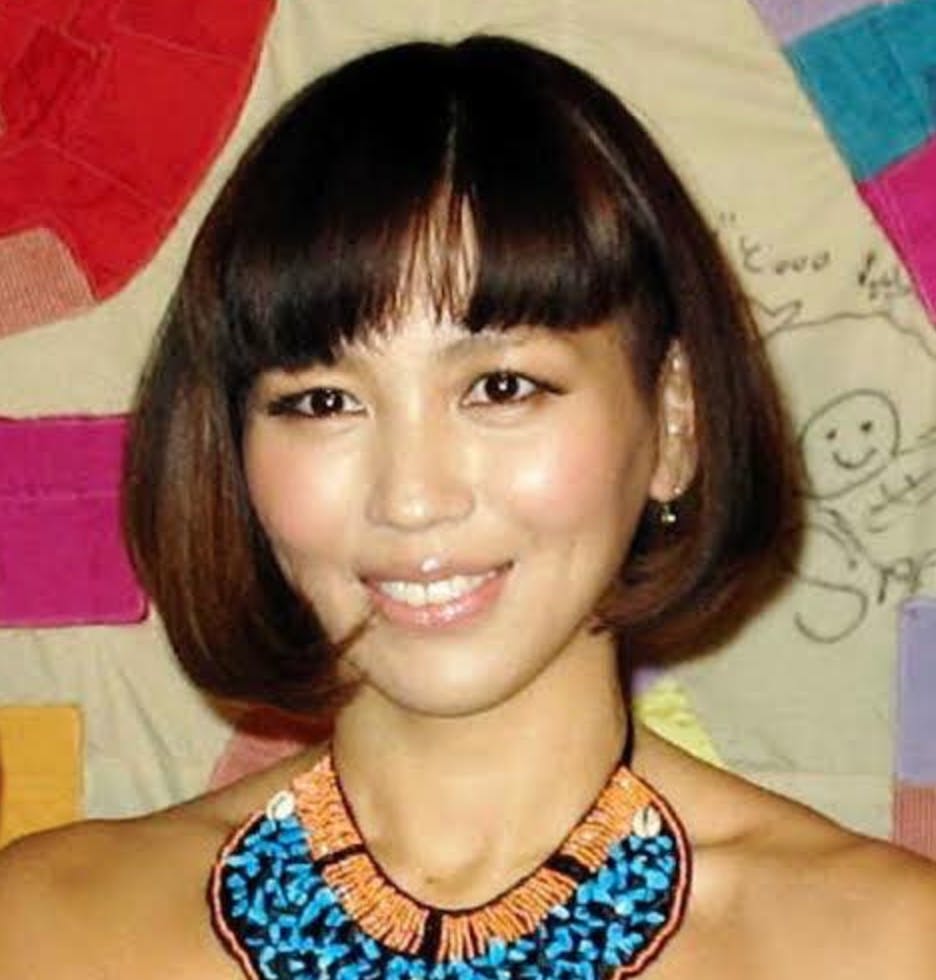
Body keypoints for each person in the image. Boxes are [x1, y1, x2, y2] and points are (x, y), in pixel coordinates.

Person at [0, 35, 934, 980]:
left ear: (674, 421)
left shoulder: (887, 947)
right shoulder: (44, 931)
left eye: (501, 388)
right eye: (323, 402)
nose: (412, 497)